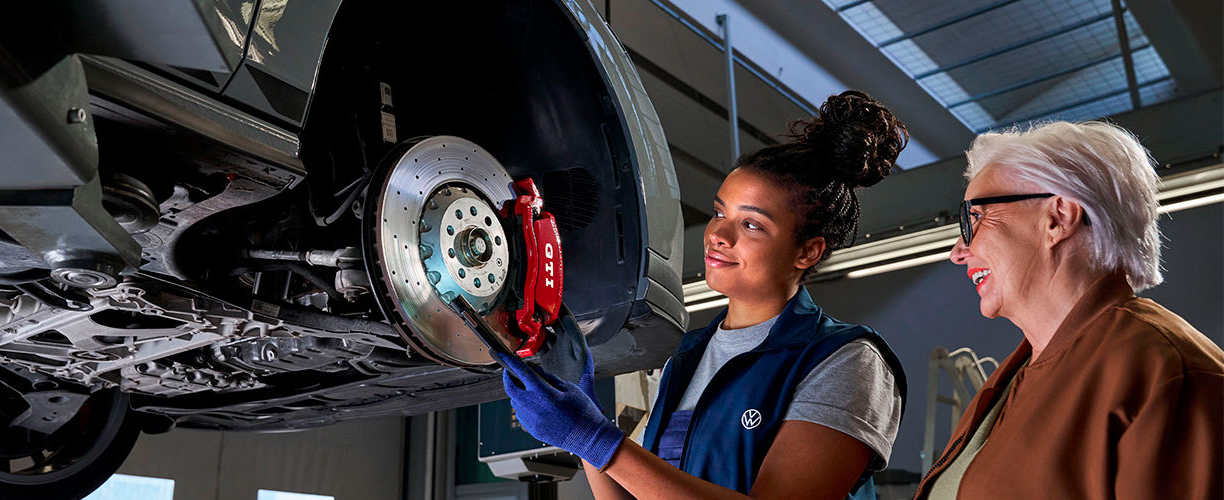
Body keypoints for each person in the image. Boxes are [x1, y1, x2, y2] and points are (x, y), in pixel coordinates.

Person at [495, 91, 909, 500]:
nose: (718, 236)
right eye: (719, 212)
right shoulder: (687, 358)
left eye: (752, 225)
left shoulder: (846, 360)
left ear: (808, 251)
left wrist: (595, 439)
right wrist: (583, 416)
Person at [914, 121, 1224, 499]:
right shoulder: (1010, 383)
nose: (958, 252)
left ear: (1058, 218)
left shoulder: (1167, 371)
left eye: (974, 218)